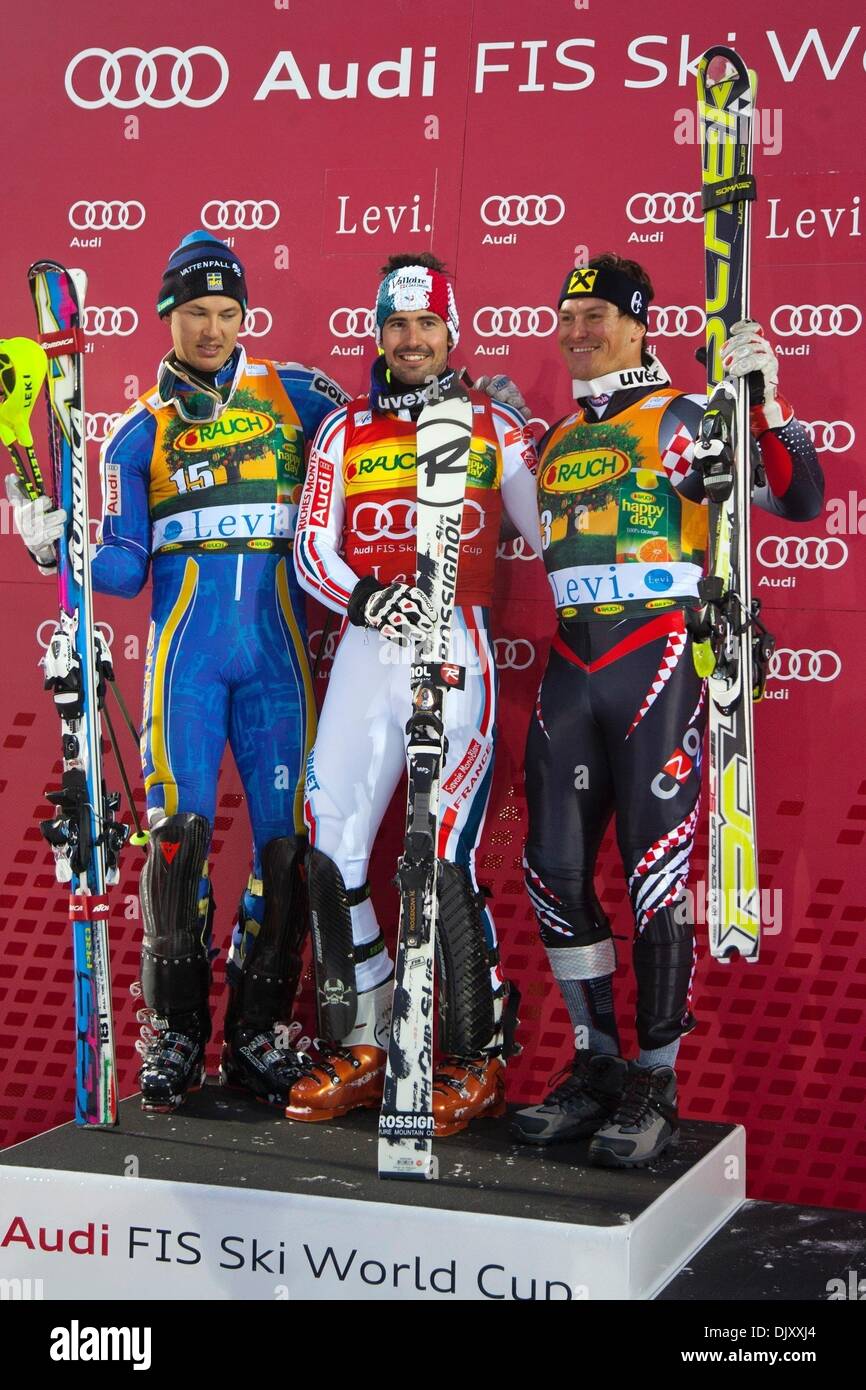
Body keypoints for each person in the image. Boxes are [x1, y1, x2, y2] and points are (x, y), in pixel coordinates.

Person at [8, 231, 349, 1112]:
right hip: (185, 663)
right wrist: (60, 543)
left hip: (278, 658)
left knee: (285, 840)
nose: (212, 327)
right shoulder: (136, 431)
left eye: (227, 311)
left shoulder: (300, 396)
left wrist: (458, 411)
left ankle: (260, 1034)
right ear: (167, 315)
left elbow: (376, 448)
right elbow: (120, 569)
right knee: (176, 843)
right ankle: (174, 1034)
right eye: (195, 311)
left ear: (245, 315)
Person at [512, 253, 824, 1166]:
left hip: (660, 656)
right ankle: (597, 1061)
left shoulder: (686, 416)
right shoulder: (558, 439)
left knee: (652, 874)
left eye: (598, 314)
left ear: (642, 325)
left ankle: (656, 1073)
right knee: (552, 869)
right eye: (568, 316)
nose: (578, 331)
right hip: (574, 660)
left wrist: (764, 402)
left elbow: (800, 499)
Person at [290, 252, 544, 1134]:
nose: (409, 340)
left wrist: (534, 443)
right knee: (331, 847)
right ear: (378, 333)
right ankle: (366, 1041)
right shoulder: (343, 431)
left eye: (425, 324)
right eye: (395, 325)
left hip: (456, 650)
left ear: (451, 331)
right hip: (368, 649)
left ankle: (473, 1060)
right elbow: (310, 547)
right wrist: (363, 596)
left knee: (440, 859)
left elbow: (553, 535)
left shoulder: (492, 427)